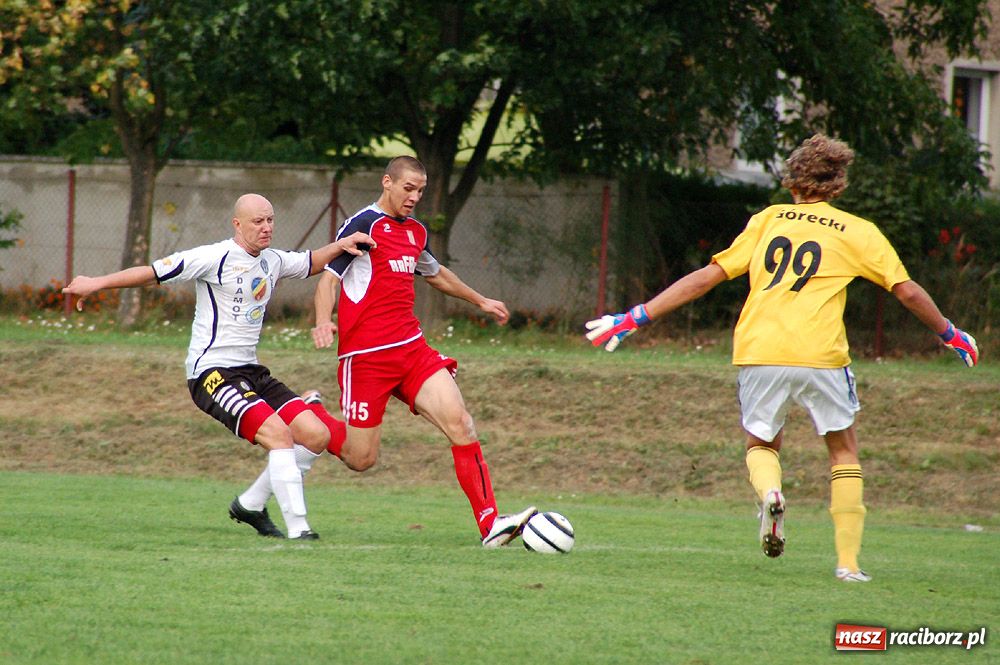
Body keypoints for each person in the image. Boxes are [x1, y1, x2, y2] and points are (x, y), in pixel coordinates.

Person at [585, 134, 979, 582]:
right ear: (837, 184)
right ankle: (848, 565)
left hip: (761, 350)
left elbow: (707, 277)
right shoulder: (858, 231)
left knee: (761, 445)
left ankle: (771, 493)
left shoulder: (768, 220)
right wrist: (950, 333)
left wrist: (636, 315)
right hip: (822, 355)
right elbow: (906, 291)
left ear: (793, 180)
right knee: (843, 451)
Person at [62, 193, 375, 540]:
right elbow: (152, 273)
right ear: (237, 224)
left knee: (316, 435)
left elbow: (311, 261)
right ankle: (299, 530)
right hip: (211, 374)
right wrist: (97, 283)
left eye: (270, 220)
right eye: (258, 221)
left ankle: (251, 505)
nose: (267, 227)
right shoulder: (214, 257)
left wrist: (343, 244)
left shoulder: (272, 260)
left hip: (251, 371)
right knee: (279, 435)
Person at [311, 155, 537, 548]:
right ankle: (310, 413)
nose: (415, 197)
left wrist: (480, 300)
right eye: (408, 188)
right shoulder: (364, 225)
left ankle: (490, 525)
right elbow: (329, 279)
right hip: (366, 359)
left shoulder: (415, 231)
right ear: (387, 183)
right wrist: (322, 320)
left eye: (421, 190)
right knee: (361, 459)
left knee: (461, 423)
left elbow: (435, 273)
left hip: (412, 351)